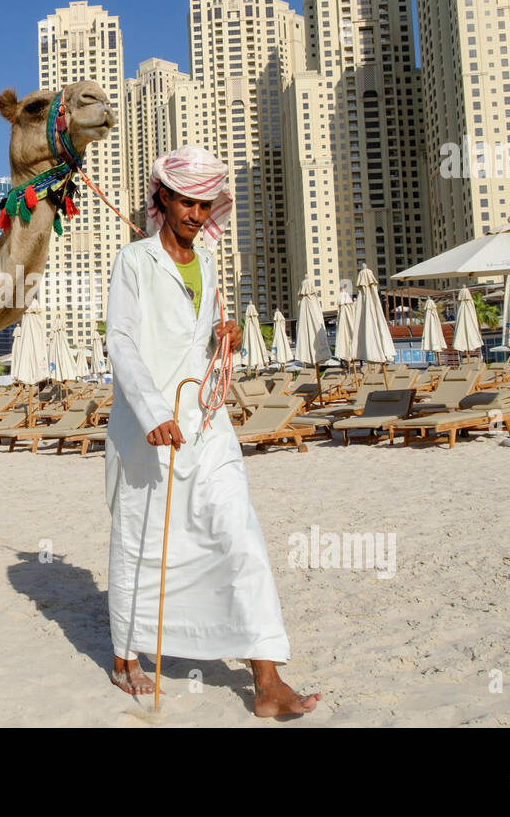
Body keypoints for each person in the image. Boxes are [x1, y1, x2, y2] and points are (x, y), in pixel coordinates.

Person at [104, 145, 321, 719]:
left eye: (204, 204)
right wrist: (152, 413)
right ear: (164, 200)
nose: (196, 215)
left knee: (239, 532)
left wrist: (221, 337)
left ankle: (268, 682)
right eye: (186, 202)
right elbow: (122, 341)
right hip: (147, 427)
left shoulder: (210, 265)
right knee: (142, 538)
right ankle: (127, 652)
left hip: (206, 421)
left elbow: (190, 347)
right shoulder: (134, 261)